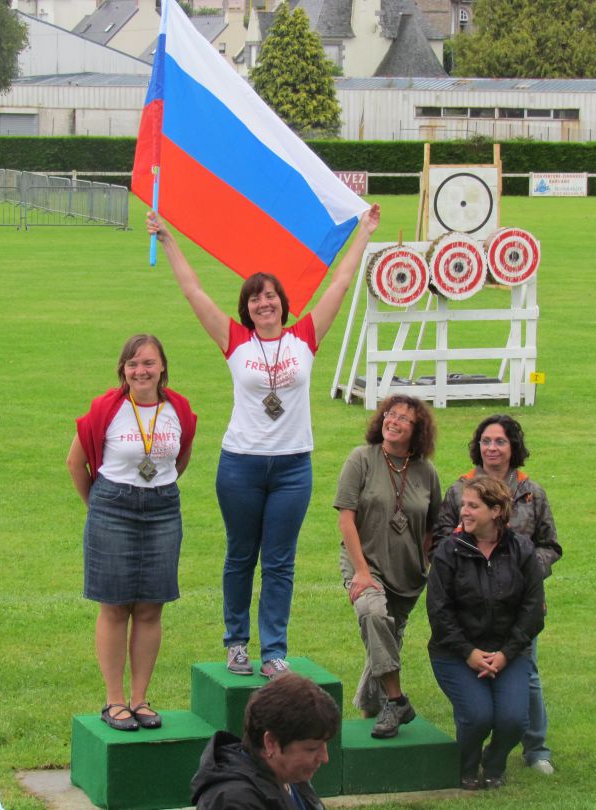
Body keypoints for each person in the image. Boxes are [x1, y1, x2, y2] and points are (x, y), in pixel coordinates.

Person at [147, 205, 380, 679]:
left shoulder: (305, 339)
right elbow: (194, 292)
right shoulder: (234, 341)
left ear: (282, 302)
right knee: (240, 555)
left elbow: (340, 284)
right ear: (246, 308)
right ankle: (236, 643)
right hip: (241, 466)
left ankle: (273, 649)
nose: (263, 304)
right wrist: (169, 239)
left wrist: (365, 233)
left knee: (279, 562)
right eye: (255, 299)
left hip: (293, 468)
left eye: (271, 297)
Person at [67, 334, 197, 731]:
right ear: (123, 370)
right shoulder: (107, 408)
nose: (141, 371)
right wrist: (99, 507)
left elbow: (181, 458)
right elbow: (75, 463)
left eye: (149, 363)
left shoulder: (179, 410)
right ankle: (114, 701)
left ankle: (140, 699)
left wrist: (155, 493)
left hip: (162, 509)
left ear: (162, 368)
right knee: (114, 605)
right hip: (112, 507)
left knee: (150, 607)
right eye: (133, 364)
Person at [432, 414, 562, 773]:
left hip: (517, 603)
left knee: (527, 673)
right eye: (486, 441)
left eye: (500, 441)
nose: (492, 448)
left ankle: (536, 749)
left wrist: (524, 576)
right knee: (472, 686)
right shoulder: (460, 490)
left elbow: (550, 545)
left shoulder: (531, 492)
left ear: (513, 447)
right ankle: (472, 751)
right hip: (469, 601)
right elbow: (442, 542)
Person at [426, 476, 545, 790]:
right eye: (464, 504)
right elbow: (439, 612)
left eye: (472, 506)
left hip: (508, 652)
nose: (463, 512)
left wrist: (506, 654)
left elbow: (533, 610)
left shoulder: (521, 550)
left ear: (496, 511)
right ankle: (466, 766)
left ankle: (494, 762)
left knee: (513, 720)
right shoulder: (447, 552)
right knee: (478, 716)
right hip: (454, 653)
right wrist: (468, 652)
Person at [333, 394, 441, 738]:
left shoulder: (426, 472)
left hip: (407, 573)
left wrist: (430, 566)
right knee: (374, 615)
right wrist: (362, 572)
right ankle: (396, 700)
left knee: (385, 639)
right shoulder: (361, 459)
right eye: (389, 415)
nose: (392, 422)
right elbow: (346, 521)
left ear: (417, 430)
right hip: (364, 565)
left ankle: (372, 706)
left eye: (403, 419)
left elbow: (432, 528)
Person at [191, 673, 340, 810]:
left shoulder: (290, 776)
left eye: (324, 744)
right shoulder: (234, 802)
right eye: (311, 749)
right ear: (271, 743)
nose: (325, 757)